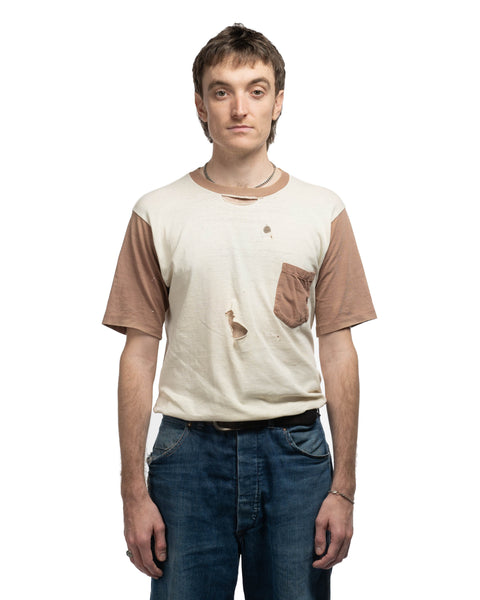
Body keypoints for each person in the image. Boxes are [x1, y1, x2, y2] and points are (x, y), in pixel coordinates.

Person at [102, 23, 377, 600]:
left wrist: (345, 487)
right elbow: (139, 354)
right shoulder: (157, 212)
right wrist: (132, 491)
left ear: (279, 102)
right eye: (221, 91)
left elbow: (338, 350)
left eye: (256, 90)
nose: (239, 108)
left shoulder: (322, 211)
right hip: (187, 455)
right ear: (200, 105)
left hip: (296, 455)